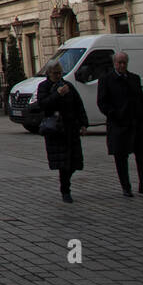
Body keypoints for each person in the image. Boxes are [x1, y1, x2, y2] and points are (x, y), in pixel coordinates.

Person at [96, 51, 143, 198]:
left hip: (136, 123)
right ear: (114, 63)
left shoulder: (134, 78)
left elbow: (142, 100)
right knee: (121, 156)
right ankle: (126, 187)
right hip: (119, 125)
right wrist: (114, 114)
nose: (122, 65)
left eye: (124, 62)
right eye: (119, 62)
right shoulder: (106, 80)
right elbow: (102, 103)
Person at [36, 62, 88, 202]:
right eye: (55, 73)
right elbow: (43, 104)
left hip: (71, 128)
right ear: (49, 73)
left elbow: (78, 105)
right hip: (56, 130)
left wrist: (83, 124)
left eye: (60, 73)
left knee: (75, 162)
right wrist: (57, 94)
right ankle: (65, 190)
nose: (58, 76)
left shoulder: (68, 86)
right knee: (63, 163)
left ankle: (65, 184)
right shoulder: (44, 87)